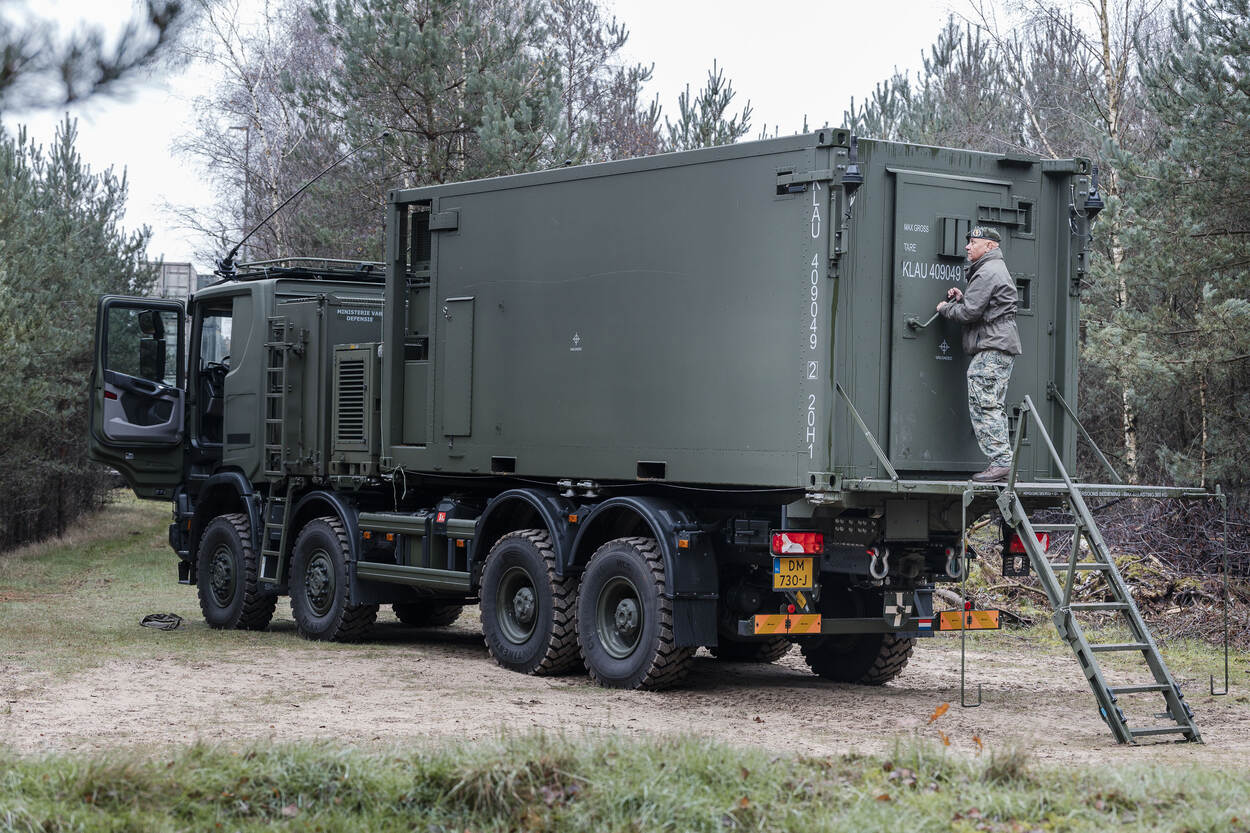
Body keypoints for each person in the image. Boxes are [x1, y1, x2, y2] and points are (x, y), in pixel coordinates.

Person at [936, 227, 1022, 483]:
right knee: (991, 403)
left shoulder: (986, 272)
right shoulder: (992, 269)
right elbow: (981, 307)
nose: (967, 247)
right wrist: (963, 299)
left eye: (973, 242)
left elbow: (968, 314)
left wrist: (946, 308)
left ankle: (1002, 462)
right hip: (1000, 344)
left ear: (990, 246)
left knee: (985, 402)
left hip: (992, 346)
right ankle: (1003, 462)